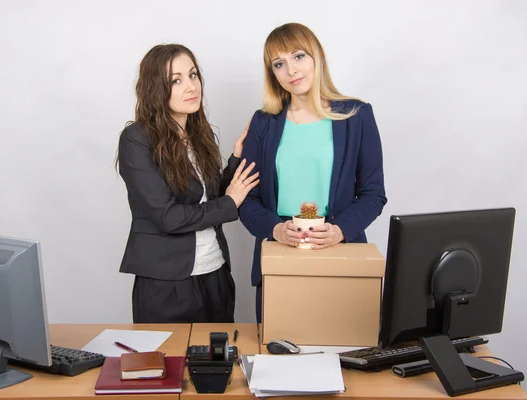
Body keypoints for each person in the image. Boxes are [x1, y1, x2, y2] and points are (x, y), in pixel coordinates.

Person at [239, 23, 387, 322]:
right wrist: (276, 229)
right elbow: (246, 199)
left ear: (316, 57)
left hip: (341, 253)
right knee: (279, 355)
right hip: (280, 254)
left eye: (298, 56)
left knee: (346, 355)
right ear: (273, 74)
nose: (291, 70)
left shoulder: (356, 115)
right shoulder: (263, 122)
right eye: (279, 64)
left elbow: (373, 194)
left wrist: (339, 230)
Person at [116, 44, 259, 323]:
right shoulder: (136, 139)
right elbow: (168, 217)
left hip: (215, 273)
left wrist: (235, 160)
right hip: (167, 284)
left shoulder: (199, 135)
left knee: (217, 366)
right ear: (154, 88)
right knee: (169, 366)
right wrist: (230, 203)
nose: (191, 86)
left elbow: (211, 197)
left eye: (193, 75)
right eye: (176, 80)